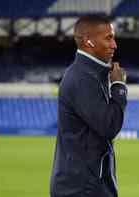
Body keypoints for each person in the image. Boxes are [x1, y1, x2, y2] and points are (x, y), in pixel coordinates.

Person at [50, 15, 127, 197]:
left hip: (84, 185)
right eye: (108, 38)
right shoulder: (83, 78)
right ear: (88, 41)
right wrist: (119, 87)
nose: (114, 45)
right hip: (81, 188)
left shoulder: (90, 73)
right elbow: (110, 125)